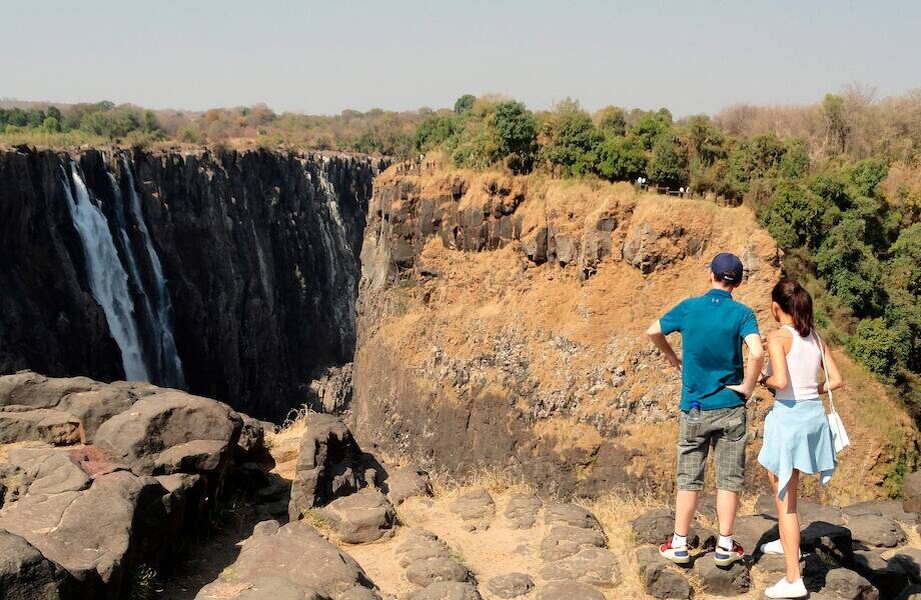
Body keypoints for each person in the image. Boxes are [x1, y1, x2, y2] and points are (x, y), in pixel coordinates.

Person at [646, 252, 764, 567]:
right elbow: (757, 352)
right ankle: (725, 547)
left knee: (689, 476)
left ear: (709, 275)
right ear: (737, 282)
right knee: (729, 477)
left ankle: (680, 543)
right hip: (730, 406)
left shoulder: (689, 308)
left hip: (695, 406)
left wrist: (672, 356)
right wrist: (748, 387)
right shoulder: (743, 314)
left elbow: (653, 331)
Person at [757, 279, 842, 599]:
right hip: (813, 418)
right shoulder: (816, 338)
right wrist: (810, 392)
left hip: (788, 420)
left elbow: (778, 380)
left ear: (776, 308)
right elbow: (836, 380)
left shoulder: (777, 338)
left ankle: (793, 579)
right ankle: (786, 539)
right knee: (782, 484)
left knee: (786, 505)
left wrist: (762, 378)